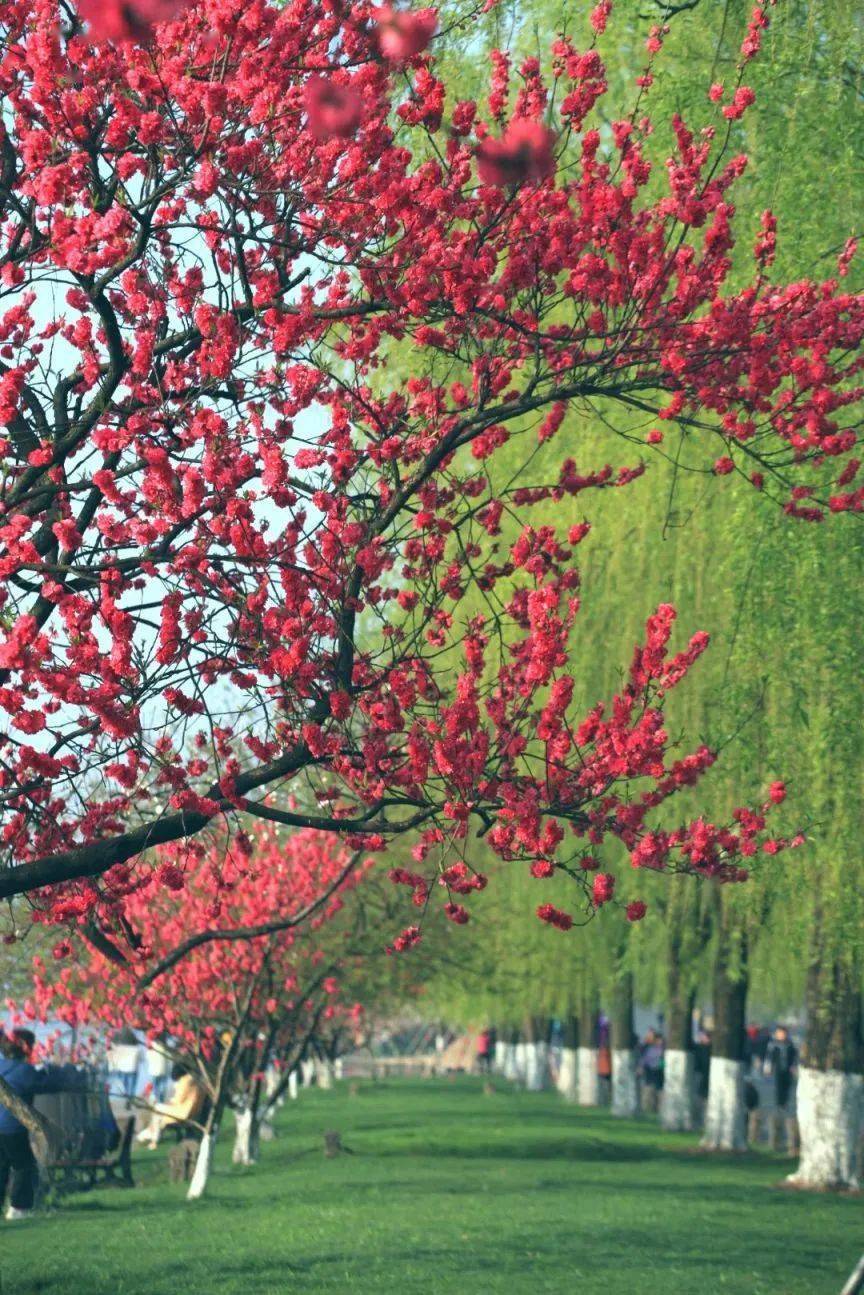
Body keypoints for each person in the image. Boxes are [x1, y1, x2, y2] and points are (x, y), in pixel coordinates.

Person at [0, 1033, 66, 1221]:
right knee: (23, 1165)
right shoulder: (25, 1071)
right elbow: (49, 1084)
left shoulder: (2, 1066)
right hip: (13, 1126)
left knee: (2, 1166)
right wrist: (55, 1067)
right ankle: (18, 1208)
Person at [135, 1063, 206, 1149]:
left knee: (157, 1109)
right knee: (159, 1115)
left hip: (183, 1113)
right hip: (192, 1112)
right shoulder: (195, 1080)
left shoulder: (185, 1081)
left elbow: (178, 1099)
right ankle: (150, 1134)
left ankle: (152, 1138)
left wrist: (168, 1103)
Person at [765, 1025, 798, 1152]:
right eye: (779, 1033)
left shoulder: (790, 1045)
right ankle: (779, 1104)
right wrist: (768, 1068)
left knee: (786, 1087)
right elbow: (769, 1057)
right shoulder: (773, 1045)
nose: (781, 1035)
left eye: (783, 1033)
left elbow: (794, 1057)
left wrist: (794, 1067)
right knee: (778, 1088)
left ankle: (783, 1103)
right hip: (777, 1070)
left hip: (787, 1071)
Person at [639, 1029, 664, 1114]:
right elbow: (644, 1060)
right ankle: (647, 1108)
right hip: (651, 1071)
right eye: (659, 1040)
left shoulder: (663, 1050)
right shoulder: (650, 1049)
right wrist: (641, 1067)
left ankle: (658, 1108)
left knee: (659, 1091)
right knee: (649, 1090)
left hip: (660, 1072)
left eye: (661, 1040)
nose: (660, 1042)